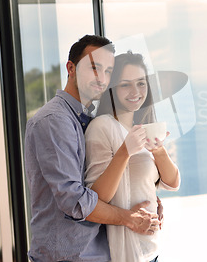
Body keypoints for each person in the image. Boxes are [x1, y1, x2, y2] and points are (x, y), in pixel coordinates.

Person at [25, 35, 160, 262]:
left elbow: (103, 181)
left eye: (108, 71)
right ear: (71, 68)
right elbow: (75, 201)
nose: (102, 78)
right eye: (94, 68)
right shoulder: (54, 120)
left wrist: (149, 202)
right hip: (67, 256)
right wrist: (129, 218)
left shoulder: (88, 119)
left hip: (99, 252)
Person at [84, 51, 180, 262]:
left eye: (141, 83)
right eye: (125, 84)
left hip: (152, 249)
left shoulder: (143, 126)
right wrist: (125, 152)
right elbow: (97, 199)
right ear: (112, 88)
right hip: (128, 252)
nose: (135, 91)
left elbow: (173, 183)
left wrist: (158, 150)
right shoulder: (102, 127)